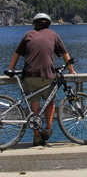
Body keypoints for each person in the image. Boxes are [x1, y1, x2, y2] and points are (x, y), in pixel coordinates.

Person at [8, 13, 75, 146]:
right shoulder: (53, 35)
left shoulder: (28, 35)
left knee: (35, 104)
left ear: (34, 24)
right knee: (50, 102)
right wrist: (71, 70)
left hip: (30, 76)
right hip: (47, 75)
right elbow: (64, 54)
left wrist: (11, 69)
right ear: (49, 24)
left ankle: (37, 136)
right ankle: (48, 129)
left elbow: (17, 53)